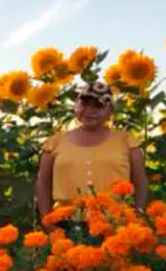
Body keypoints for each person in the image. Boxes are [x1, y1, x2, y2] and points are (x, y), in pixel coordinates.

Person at [35, 81, 147, 229]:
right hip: (65, 223)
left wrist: (137, 217)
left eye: (98, 106)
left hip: (114, 224)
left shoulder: (126, 141)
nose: (89, 111)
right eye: (84, 104)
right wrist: (46, 219)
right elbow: (43, 182)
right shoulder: (55, 142)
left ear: (110, 110)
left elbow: (140, 182)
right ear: (76, 106)